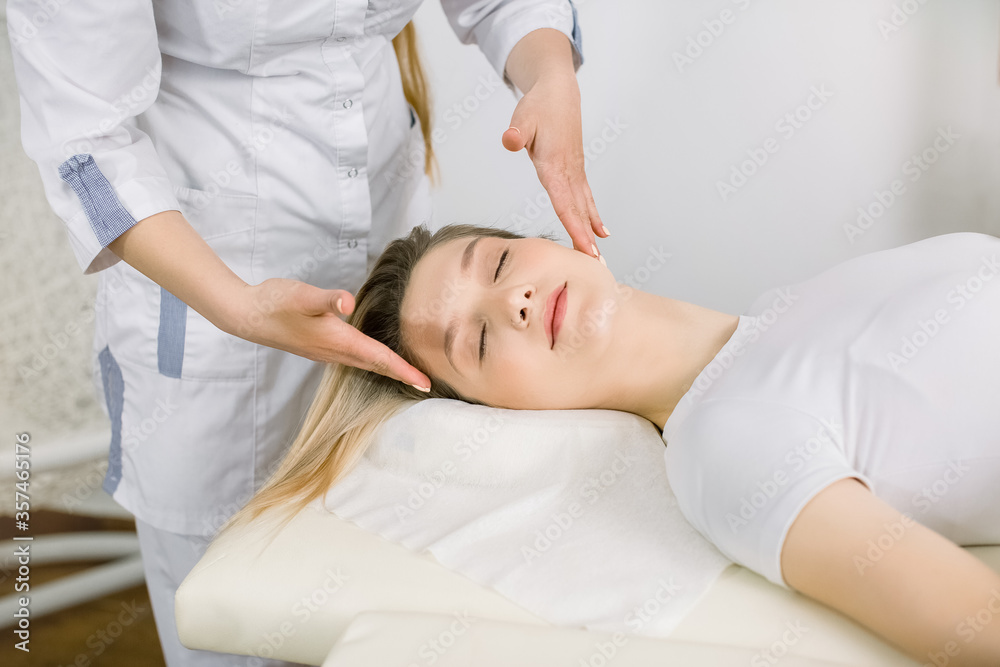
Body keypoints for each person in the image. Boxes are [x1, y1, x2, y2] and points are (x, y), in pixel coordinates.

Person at [7, 1, 609, 664]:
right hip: (213, 295)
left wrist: (549, 73)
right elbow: (87, 141)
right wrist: (237, 307)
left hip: (387, 248)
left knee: (386, 574)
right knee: (232, 613)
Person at [221, 223, 1000, 665]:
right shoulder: (725, 453)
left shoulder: (790, 304)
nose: (515, 300)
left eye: (496, 264)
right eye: (479, 342)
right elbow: (975, 622)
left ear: (551, 239)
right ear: (505, 412)